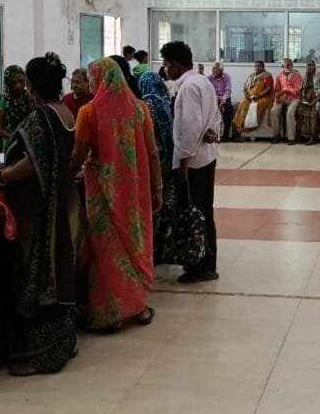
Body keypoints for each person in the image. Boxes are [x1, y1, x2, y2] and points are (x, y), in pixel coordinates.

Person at [0, 57, 78, 375]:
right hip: (62, 202)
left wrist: (0, 177)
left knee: (38, 277)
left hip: (40, 210)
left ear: (32, 85)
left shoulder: (41, 116)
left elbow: (31, 162)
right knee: (60, 269)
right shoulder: (65, 111)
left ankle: (41, 355)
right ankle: (64, 342)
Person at [70, 58, 162, 331]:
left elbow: (77, 156)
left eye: (91, 77)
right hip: (134, 190)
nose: (90, 82)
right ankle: (138, 306)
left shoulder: (88, 112)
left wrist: (64, 175)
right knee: (134, 243)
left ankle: (109, 313)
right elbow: (153, 153)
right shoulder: (140, 108)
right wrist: (157, 188)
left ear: (99, 79)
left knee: (106, 247)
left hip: (100, 190)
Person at [161, 40, 221, 284]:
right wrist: (211, 132)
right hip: (207, 156)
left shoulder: (187, 88)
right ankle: (208, 262)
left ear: (176, 64)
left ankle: (199, 266)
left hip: (193, 162)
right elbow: (214, 116)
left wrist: (183, 165)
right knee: (204, 211)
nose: (165, 69)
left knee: (193, 214)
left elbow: (189, 128)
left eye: (167, 64)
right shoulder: (202, 81)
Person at [138, 71, 176, 263]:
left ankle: (151, 248)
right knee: (166, 203)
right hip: (169, 159)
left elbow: (147, 137)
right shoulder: (165, 102)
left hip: (155, 160)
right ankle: (164, 247)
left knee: (153, 204)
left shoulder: (146, 105)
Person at [0, 65, 36, 153]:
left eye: (21, 81)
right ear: (8, 83)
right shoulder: (2, 101)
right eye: (14, 82)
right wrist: (17, 139)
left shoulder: (30, 97)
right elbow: (1, 130)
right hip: (10, 144)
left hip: (29, 143)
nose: (18, 85)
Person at [233, 61, 275, 140]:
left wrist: (258, 96)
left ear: (263, 67)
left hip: (264, 97)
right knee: (243, 103)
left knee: (256, 105)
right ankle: (240, 125)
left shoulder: (267, 75)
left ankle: (251, 127)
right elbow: (245, 87)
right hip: (251, 96)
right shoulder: (252, 76)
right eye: (255, 66)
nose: (257, 68)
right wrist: (246, 95)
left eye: (259, 66)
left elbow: (269, 89)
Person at [270, 58, 302, 145]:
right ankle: (276, 135)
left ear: (292, 65)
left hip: (294, 98)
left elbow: (297, 90)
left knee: (290, 113)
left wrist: (285, 91)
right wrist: (278, 97)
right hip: (282, 98)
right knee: (273, 111)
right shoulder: (280, 75)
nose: (288, 67)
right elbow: (277, 89)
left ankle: (291, 138)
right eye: (285, 65)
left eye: (289, 65)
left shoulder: (297, 75)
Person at [297, 59, 320, 145]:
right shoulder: (305, 76)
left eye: (311, 65)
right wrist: (303, 99)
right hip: (306, 99)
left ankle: (313, 138)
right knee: (299, 112)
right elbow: (302, 89)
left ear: (314, 66)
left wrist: (315, 100)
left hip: (317, 99)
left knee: (313, 115)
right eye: (308, 65)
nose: (310, 67)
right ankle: (300, 136)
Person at [209, 62, 234, 142]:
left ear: (221, 70)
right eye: (213, 68)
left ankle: (225, 135)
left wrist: (223, 99)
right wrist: (217, 99)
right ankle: (213, 134)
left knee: (228, 109)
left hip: (225, 98)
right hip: (214, 98)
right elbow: (210, 91)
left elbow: (228, 90)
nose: (214, 70)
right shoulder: (209, 78)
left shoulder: (227, 77)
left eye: (216, 68)